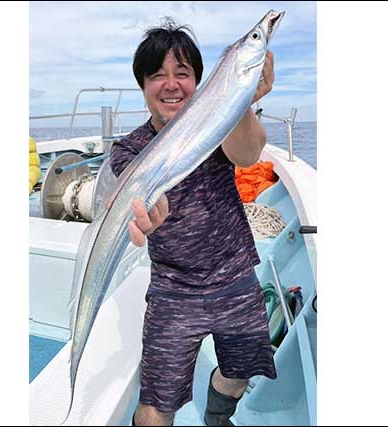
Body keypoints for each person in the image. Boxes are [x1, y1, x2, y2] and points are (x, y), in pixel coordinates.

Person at [109, 19, 277, 426]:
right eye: (158, 76)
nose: (171, 85)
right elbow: (135, 204)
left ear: (199, 81)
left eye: (182, 73)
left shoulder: (219, 122)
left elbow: (248, 155)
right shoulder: (127, 149)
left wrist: (243, 102)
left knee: (238, 375)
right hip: (173, 290)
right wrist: (145, 216)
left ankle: (217, 420)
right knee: (154, 408)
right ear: (143, 85)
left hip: (235, 276)